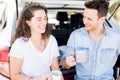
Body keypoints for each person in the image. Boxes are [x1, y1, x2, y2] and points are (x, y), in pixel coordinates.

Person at [61, 0, 120, 80]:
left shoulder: (116, 37)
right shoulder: (76, 35)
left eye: (89, 19)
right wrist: (67, 62)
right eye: (84, 17)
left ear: (102, 19)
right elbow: (64, 63)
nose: (84, 21)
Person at [9, 2, 63, 80]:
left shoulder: (52, 40)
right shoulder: (20, 44)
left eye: (45, 18)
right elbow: (14, 76)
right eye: (39, 19)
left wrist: (59, 77)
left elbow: (55, 68)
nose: (44, 22)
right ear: (28, 22)